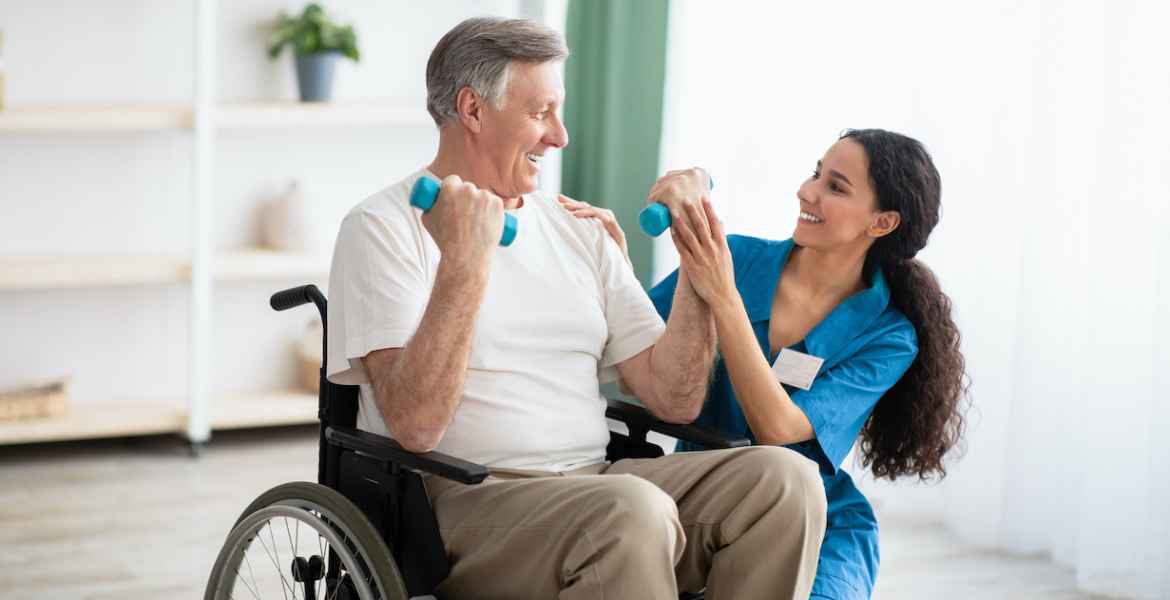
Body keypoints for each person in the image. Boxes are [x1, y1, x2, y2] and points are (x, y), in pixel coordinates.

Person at [325, 17, 827, 599]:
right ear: (473, 110)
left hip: (598, 483)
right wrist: (464, 264)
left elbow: (675, 397)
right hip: (462, 503)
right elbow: (414, 425)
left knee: (787, 481)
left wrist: (696, 259)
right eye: (541, 114)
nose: (560, 137)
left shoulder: (577, 229)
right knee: (630, 510)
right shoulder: (382, 227)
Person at [567, 129, 969, 599]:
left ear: (881, 223)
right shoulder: (736, 256)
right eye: (815, 173)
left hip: (819, 520)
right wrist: (615, 266)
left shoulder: (888, 336)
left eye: (836, 187)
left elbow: (777, 428)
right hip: (705, 496)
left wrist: (723, 295)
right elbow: (641, 355)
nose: (807, 191)